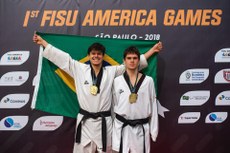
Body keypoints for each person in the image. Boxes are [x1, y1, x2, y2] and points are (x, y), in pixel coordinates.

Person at [33, 33, 162, 153]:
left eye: (99, 54)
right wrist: (43, 43)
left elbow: (130, 65)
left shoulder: (111, 72)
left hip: (104, 123)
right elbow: (62, 59)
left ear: (103, 56)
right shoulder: (79, 69)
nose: (96, 56)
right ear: (89, 56)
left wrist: (152, 51)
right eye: (93, 53)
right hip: (85, 122)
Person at [112, 46, 159, 153]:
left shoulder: (148, 81)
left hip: (140, 128)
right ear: (124, 61)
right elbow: (113, 105)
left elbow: (153, 105)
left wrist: (154, 131)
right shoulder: (117, 81)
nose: (132, 61)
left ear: (139, 61)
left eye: (134, 58)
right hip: (121, 127)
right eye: (129, 58)